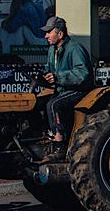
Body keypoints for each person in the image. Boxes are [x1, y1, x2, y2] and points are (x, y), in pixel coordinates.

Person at [39, 16, 93, 161]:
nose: (46, 36)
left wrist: (58, 77)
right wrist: (44, 76)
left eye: (49, 32)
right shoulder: (52, 50)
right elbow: (49, 69)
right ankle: (43, 138)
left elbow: (82, 73)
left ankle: (60, 144)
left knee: (54, 105)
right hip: (63, 89)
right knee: (39, 102)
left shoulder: (75, 48)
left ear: (60, 34)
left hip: (79, 89)